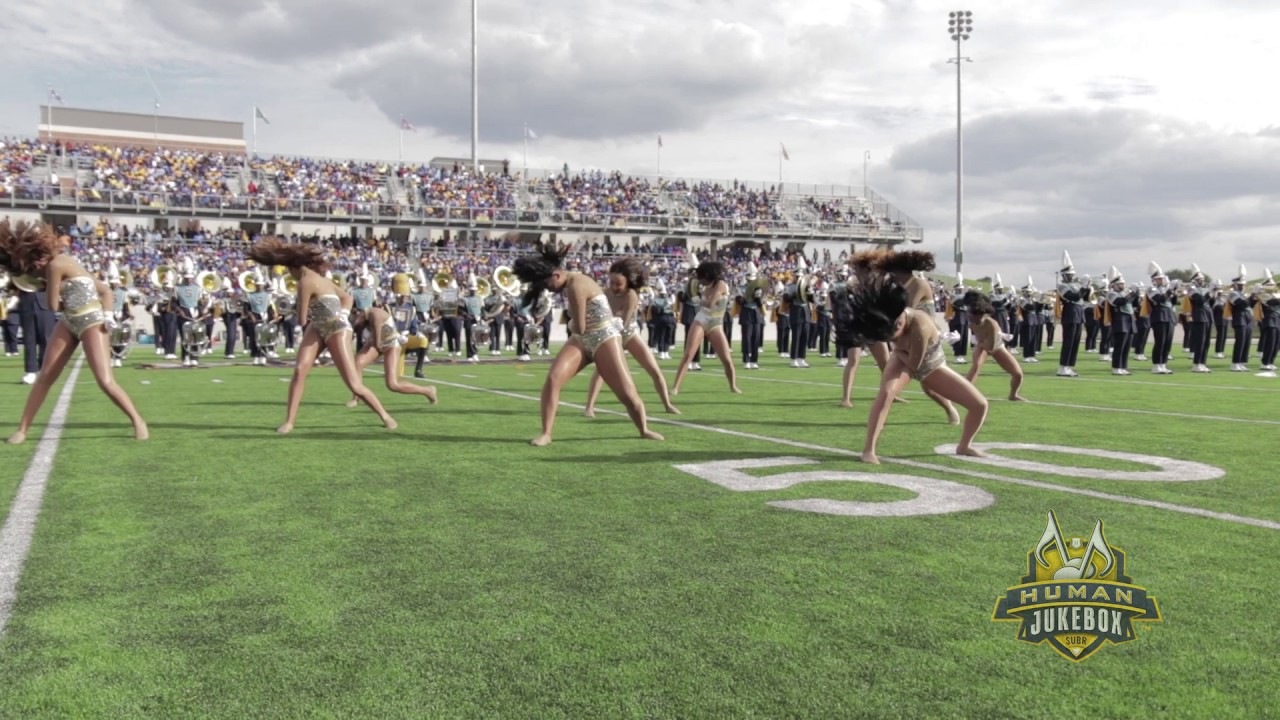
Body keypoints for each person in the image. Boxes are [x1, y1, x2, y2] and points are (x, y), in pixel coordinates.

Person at [0, 220, 147, 444]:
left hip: (90, 321)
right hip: (70, 320)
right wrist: (108, 314)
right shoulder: (66, 263)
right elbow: (105, 291)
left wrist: (106, 317)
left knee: (105, 381)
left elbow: (51, 306)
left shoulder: (55, 266)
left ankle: (138, 420)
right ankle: (22, 429)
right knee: (45, 377)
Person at [513, 244, 663, 446]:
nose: (548, 289)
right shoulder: (569, 283)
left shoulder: (576, 285)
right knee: (553, 379)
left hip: (604, 338)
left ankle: (644, 429)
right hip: (583, 339)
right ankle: (546, 433)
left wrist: (571, 325)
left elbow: (580, 326)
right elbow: (580, 330)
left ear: (557, 275)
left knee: (627, 394)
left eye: (547, 284)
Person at [246, 237, 396, 433]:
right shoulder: (322, 280)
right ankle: (290, 421)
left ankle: (385, 416)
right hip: (320, 326)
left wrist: (295, 309)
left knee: (353, 383)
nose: (290, 276)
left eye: (289, 271)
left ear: (294, 267)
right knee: (300, 370)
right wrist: (341, 312)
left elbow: (301, 320)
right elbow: (347, 298)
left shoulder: (305, 282)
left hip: (336, 330)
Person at [834, 276, 989, 465]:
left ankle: (964, 445)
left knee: (980, 405)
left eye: (892, 332)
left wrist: (897, 353)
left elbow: (915, 366)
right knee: (886, 394)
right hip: (902, 357)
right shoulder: (885, 319)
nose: (890, 337)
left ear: (900, 321)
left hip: (929, 363)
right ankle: (869, 450)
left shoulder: (920, 325)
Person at [583, 257, 680, 417]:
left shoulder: (631, 295)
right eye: (611, 282)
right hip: (610, 335)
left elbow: (625, 322)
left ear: (629, 282)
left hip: (628, 333)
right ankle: (589, 407)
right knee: (601, 371)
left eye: (618, 284)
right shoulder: (604, 294)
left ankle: (667, 404)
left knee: (654, 370)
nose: (614, 287)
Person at [671, 260, 741, 395]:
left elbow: (710, 303)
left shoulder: (721, 285)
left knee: (726, 359)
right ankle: (675, 387)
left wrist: (696, 298)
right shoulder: (706, 286)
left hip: (716, 323)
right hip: (701, 319)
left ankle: (733, 385)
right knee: (688, 354)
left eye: (702, 278)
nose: (700, 281)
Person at [346, 305, 439, 406]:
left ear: (359, 316)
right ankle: (356, 397)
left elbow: (378, 342)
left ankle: (427, 390)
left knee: (393, 385)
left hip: (391, 345)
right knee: (357, 364)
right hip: (377, 342)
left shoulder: (376, 315)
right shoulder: (363, 318)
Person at [963, 291, 1025, 401]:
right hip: (982, 345)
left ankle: (1013, 395)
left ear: (978, 314)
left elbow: (991, 347)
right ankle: (964, 394)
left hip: (996, 346)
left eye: (970, 313)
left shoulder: (992, 324)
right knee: (976, 366)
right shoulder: (971, 323)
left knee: (1018, 374)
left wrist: (981, 343)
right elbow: (982, 342)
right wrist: (980, 344)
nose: (967, 315)